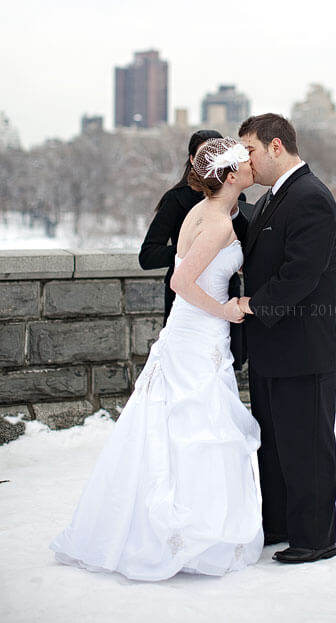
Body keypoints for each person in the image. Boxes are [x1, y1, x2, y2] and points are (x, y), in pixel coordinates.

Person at [50, 137, 263, 581]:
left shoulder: (205, 211)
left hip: (191, 331)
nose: (250, 165)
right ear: (229, 177)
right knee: (196, 425)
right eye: (243, 162)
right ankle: (190, 533)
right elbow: (180, 282)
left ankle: (183, 527)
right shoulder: (217, 223)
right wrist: (224, 310)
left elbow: (203, 267)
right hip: (199, 332)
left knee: (179, 425)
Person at [237, 114, 336, 564]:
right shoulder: (271, 198)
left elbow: (301, 273)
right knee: (276, 447)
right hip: (271, 348)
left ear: (275, 146)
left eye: (250, 151)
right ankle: (280, 525)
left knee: (306, 448)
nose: (246, 160)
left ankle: (315, 539)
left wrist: (252, 305)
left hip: (302, 348)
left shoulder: (310, 197)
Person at [139, 129, 250, 370]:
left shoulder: (234, 201)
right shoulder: (177, 200)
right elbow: (148, 256)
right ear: (192, 160)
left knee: (225, 366)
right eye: (205, 156)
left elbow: (244, 246)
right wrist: (196, 254)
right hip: (191, 302)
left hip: (226, 294)